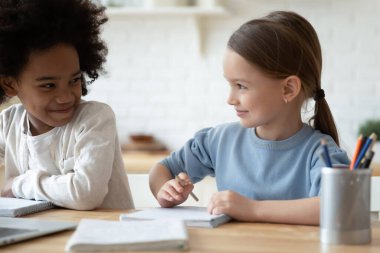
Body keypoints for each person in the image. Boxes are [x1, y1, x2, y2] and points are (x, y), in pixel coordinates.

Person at [149, 11, 349, 225]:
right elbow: (162, 170)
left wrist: (253, 209)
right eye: (230, 84)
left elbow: (335, 207)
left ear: (288, 89)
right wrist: (166, 191)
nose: (230, 99)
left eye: (241, 86)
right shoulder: (219, 140)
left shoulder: (321, 152)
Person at [0, 0, 134, 210]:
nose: (65, 97)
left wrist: (17, 184)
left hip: (105, 236)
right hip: (44, 237)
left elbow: (85, 193)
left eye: (74, 80)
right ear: (10, 84)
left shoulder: (95, 119)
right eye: (49, 85)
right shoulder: (8, 123)